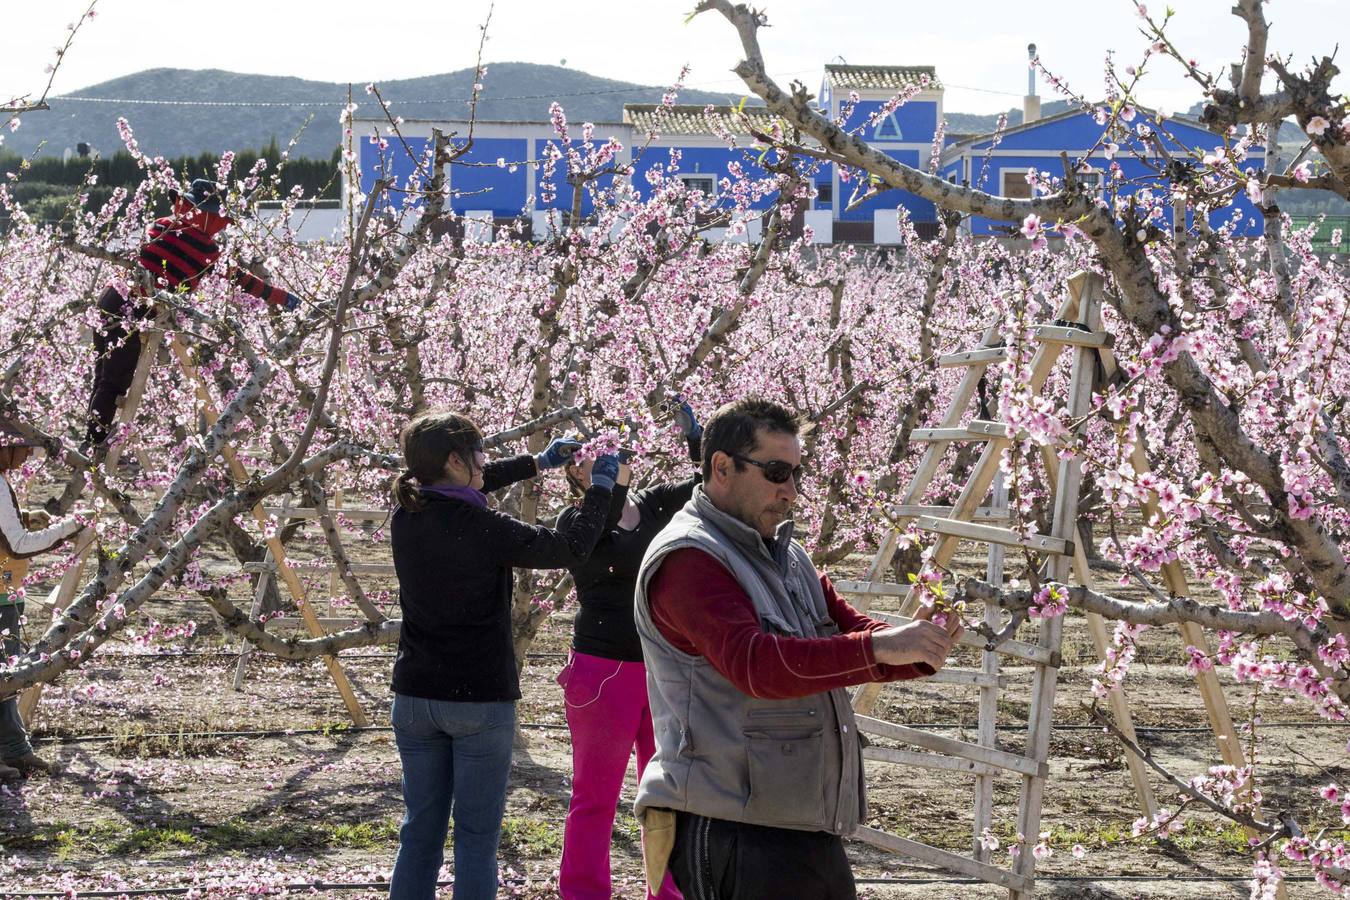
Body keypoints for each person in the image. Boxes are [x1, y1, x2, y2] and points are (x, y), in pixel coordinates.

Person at [632, 398, 964, 900]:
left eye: (796, 473)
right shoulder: (689, 560)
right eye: (776, 473)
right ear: (722, 467)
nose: (790, 491)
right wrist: (882, 646)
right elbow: (757, 667)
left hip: (797, 819)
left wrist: (920, 640)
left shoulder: (788, 555)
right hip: (732, 826)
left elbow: (849, 633)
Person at [387, 411, 623, 900]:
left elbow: (460, 486)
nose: (484, 461)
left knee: (419, 833)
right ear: (455, 460)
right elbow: (569, 548)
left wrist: (536, 463)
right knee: (476, 839)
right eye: (478, 453)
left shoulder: (407, 512)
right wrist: (601, 489)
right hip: (478, 699)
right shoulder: (482, 526)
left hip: (414, 697)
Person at [554, 400, 703, 900]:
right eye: (590, 456)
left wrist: (697, 441)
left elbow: (709, 486)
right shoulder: (576, 521)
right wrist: (610, 487)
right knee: (595, 796)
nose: (605, 458)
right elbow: (596, 551)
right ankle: (583, 893)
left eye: (611, 450)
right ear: (575, 473)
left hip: (661, 668)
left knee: (665, 793)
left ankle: (668, 892)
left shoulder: (654, 505)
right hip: (602, 672)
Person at [84, 178, 300, 449]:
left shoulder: (160, 225)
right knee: (115, 380)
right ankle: (94, 443)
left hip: (110, 295)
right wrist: (281, 297)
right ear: (210, 216)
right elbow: (242, 280)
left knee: (103, 376)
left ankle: (91, 440)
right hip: (133, 310)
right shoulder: (207, 249)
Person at [0, 420, 87, 782]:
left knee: (6, 674)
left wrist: (27, 517)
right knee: (3, 674)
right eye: (21, 449)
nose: (25, 457)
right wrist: (69, 527)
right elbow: (17, 544)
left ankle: (15, 749)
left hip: (4, 591)